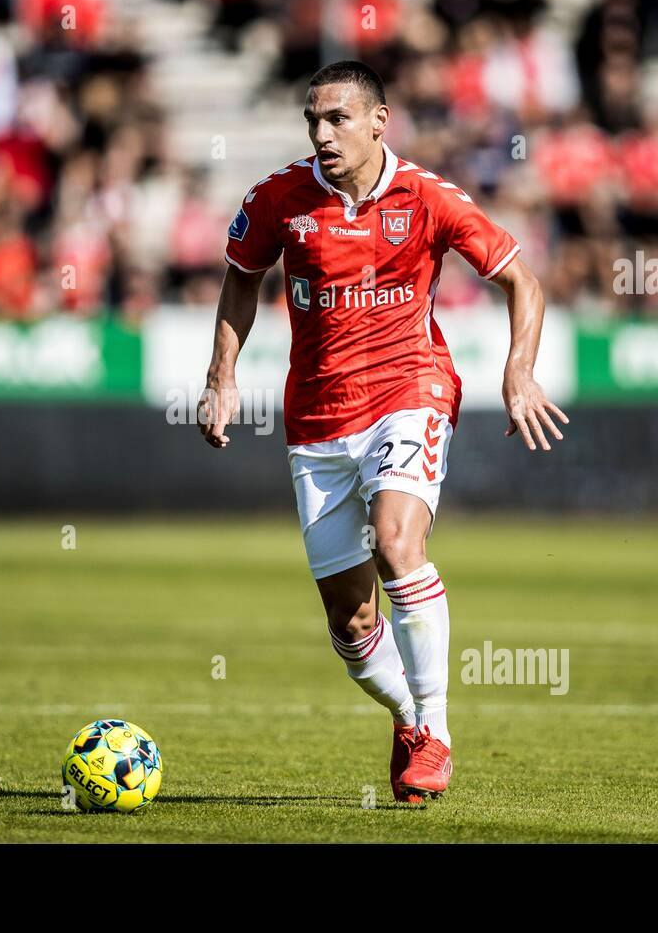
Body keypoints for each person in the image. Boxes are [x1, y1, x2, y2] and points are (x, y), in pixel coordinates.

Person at [199, 61, 568, 803]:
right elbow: (242, 275)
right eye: (312, 120)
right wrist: (221, 378)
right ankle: (408, 716)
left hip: (412, 389)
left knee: (400, 544)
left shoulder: (427, 197)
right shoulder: (278, 198)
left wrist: (519, 370)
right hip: (316, 418)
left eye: (337, 118)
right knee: (351, 622)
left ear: (378, 120)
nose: (321, 133)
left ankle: (436, 728)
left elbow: (521, 278)